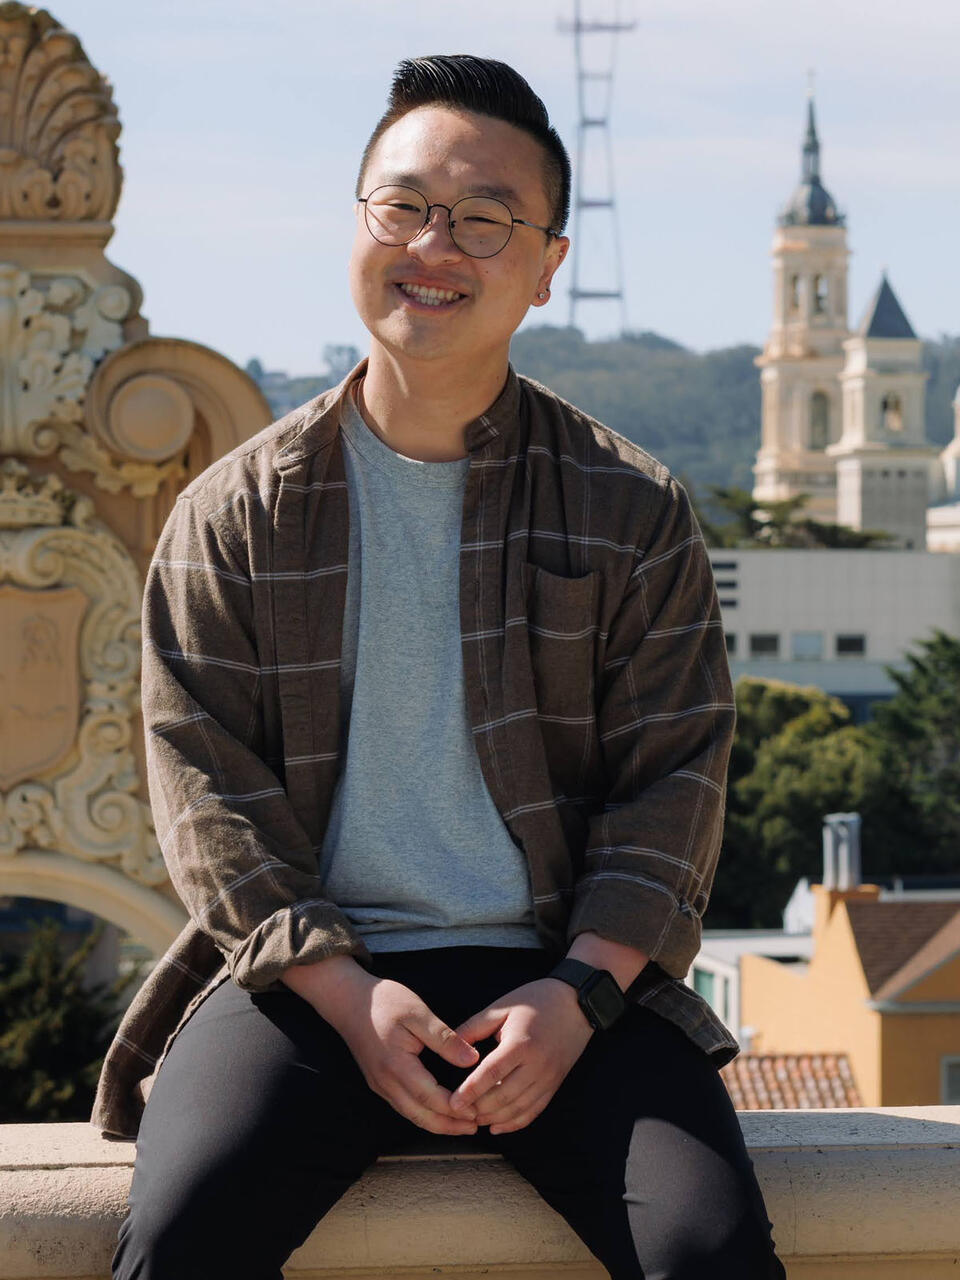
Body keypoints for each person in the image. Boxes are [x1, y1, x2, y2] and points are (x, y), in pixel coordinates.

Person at [103, 54, 786, 1279]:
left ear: (546, 265)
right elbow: (204, 790)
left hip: (565, 968)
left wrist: (576, 994)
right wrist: (351, 995)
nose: (436, 243)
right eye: (405, 204)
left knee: (708, 1247)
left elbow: (674, 776)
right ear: (357, 223)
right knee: (183, 1231)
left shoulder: (630, 507)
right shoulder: (234, 513)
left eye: (484, 218)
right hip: (310, 974)